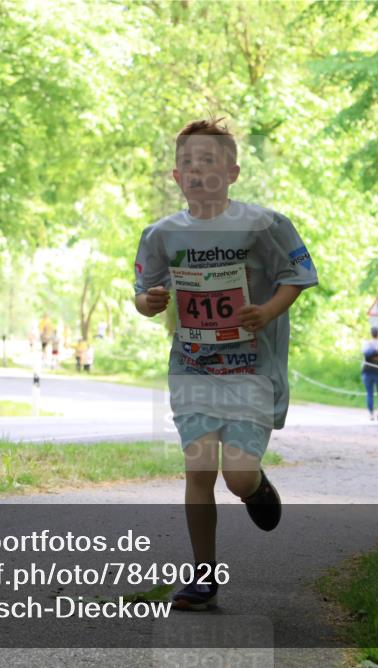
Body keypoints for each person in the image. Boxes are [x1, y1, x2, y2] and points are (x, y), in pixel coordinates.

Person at [133, 118, 318, 611]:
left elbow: (297, 275)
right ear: (176, 176)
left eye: (209, 161)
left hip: (250, 369)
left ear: (232, 171)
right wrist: (148, 302)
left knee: (235, 476)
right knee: (199, 470)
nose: (198, 171)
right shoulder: (161, 234)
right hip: (192, 366)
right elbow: (144, 293)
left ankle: (255, 487)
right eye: (188, 163)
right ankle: (203, 574)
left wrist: (268, 311)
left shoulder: (263, 225)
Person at [361, 326, 378, 420]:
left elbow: (364, 354)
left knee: (369, 393)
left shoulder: (366, 344)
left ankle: (371, 414)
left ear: (371, 334)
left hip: (368, 371)